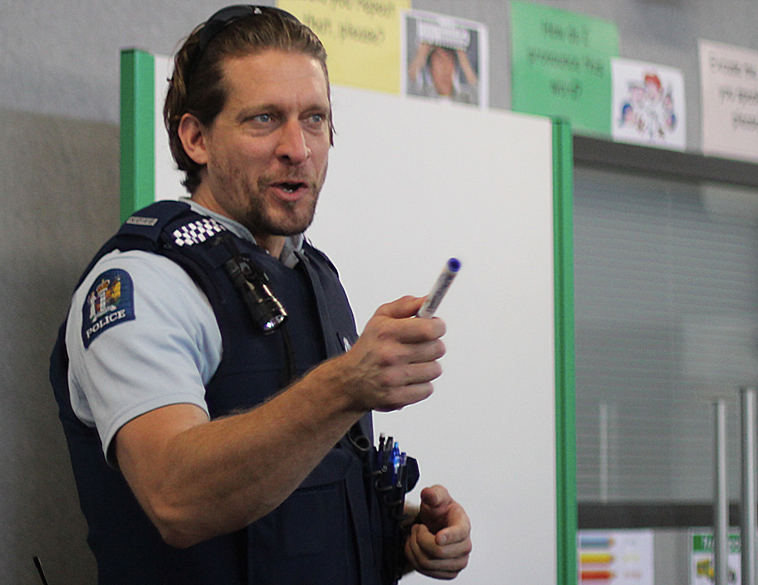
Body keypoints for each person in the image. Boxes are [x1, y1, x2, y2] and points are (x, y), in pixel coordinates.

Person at [50, 5, 471, 585]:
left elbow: (289, 497)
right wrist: (347, 384)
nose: (297, 147)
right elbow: (177, 499)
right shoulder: (143, 284)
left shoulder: (313, 277)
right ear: (195, 138)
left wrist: (400, 537)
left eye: (315, 119)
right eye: (265, 120)